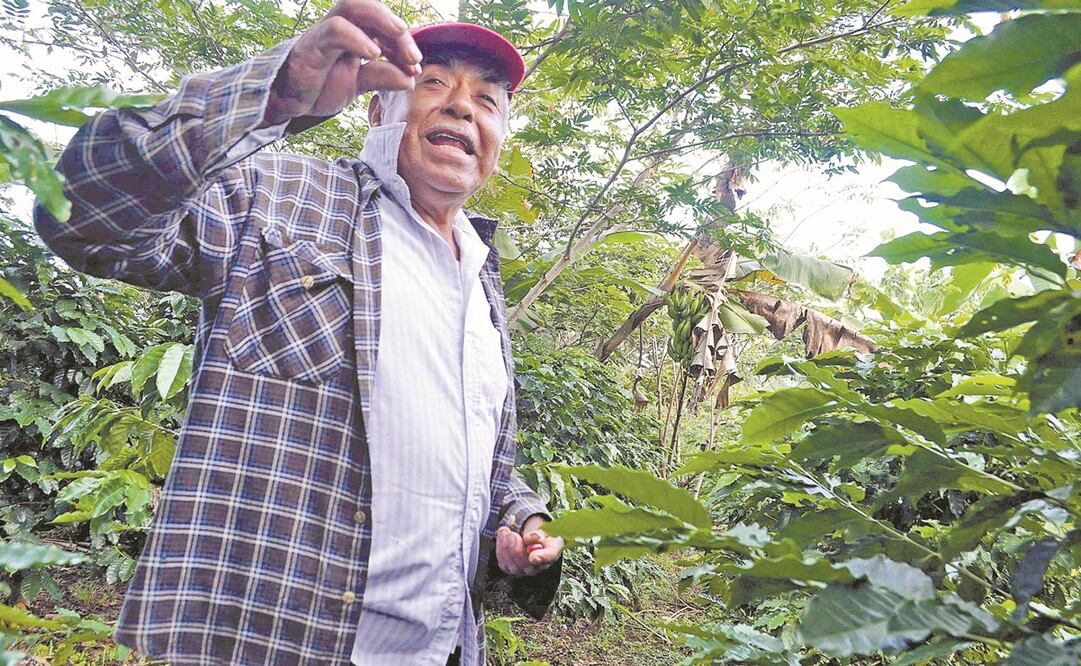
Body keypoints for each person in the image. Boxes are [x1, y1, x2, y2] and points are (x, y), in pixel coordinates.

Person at [32, 2, 564, 664]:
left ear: (496, 140)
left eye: (486, 101)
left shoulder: (481, 279)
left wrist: (518, 520)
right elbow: (86, 216)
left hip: (442, 647)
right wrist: (276, 90)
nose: (461, 108)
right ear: (379, 110)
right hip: (281, 635)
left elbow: (475, 463)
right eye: (433, 83)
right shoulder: (278, 197)